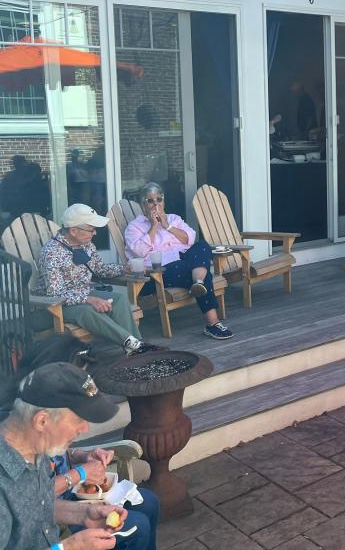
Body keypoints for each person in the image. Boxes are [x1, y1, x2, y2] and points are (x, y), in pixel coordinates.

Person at [0, 362, 130, 549]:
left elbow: (35, 505)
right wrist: (69, 547)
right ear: (42, 420)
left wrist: (84, 513)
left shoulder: (36, 445)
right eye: (78, 419)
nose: (85, 428)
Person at [37, 204, 153, 355]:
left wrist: (125, 268)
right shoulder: (52, 253)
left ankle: (136, 346)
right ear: (73, 231)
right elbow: (55, 294)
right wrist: (89, 299)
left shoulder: (86, 246)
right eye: (91, 229)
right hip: (54, 308)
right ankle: (133, 344)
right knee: (87, 311)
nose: (95, 233)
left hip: (83, 295)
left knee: (119, 299)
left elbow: (99, 269)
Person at [123, 183, 233, 340]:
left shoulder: (174, 219)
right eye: (150, 201)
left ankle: (199, 283)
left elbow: (189, 238)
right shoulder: (134, 227)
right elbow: (139, 251)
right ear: (143, 204)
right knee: (198, 270)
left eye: (159, 199)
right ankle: (212, 323)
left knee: (202, 245)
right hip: (156, 274)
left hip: (184, 262)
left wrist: (167, 227)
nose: (155, 204)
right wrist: (154, 227)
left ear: (163, 201)